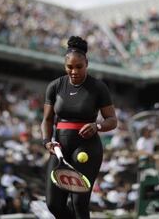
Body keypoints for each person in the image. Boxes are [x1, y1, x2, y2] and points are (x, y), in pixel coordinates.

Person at [41, 36, 117, 219]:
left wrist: (96, 126)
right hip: (60, 148)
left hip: (87, 147)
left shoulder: (98, 88)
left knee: (78, 203)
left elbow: (112, 120)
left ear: (87, 63)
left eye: (79, 67)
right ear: (65, 65)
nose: (74, 71)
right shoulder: (55, 87)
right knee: (54, 204)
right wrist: (46, 141)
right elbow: (47, 120)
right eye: (70, 67)